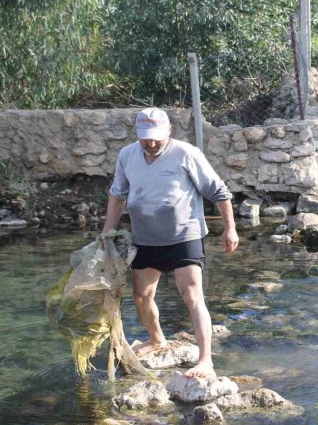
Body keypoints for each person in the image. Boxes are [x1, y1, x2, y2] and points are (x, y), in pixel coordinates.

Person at [102, 107, 239, 379]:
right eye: (145, 138)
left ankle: (205, 360)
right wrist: (107, 233)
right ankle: (157, 339)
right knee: (141, 296)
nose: (151, 144)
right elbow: (117, 195)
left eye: (156, 138)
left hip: (184, 236)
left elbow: (219, 191)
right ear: (137, 134)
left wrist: (230, 228)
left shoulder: (186, 153)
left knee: (192, 295)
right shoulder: (127, 155)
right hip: (145, 238)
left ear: (169, 131)